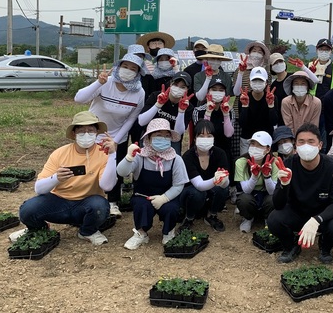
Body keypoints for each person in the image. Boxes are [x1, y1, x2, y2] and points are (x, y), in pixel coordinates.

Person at [11, 111, 117, 245]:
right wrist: (56, 178)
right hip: (59, 201)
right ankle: (39, 229)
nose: (86, 134)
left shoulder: (104, 153)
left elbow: (107, 186)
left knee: (100, 206)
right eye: (81, 131)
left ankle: (87, 231)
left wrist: (113, 154)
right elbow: (39, 188)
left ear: (97, 133)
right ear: (74, 134)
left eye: (91, 130)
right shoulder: (60, 153)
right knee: (28, 210)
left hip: (87, 203)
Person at [74, 53, 145, 217]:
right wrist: (98, 82)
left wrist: (116, 140)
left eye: (133, 69)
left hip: (116, 134)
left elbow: (131, 119)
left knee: (114, 170)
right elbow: (79, 99)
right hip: (92, 131)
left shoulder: (139, 93)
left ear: (138, 73)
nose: (128, 71)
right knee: (87, 166)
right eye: (125, 66)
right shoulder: (107, 82)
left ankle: (113, 202)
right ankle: (84, 197)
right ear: (119, 67)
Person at [267, 123, 333, 264]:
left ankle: (325, 247)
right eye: (301, 142)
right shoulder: (289, 164)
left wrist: (317, 219)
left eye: (311, 142)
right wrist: (284, 185)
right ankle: (291, 246)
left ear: (320, 145)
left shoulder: (331, 167)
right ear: (295, 147)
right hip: (296, 212)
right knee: (274, 220)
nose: (306, 146)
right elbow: (278, 204)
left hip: (321, 215)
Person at [117, 118, 189, 250]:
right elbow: (122, 172)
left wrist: (164, 198)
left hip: (167, 195)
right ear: (148, 139)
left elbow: (179, 185)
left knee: (171, 208)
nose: (163, 139)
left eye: (167, 136)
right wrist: (128, 158)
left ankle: (169, 232)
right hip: (143, 195)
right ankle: (141, 233)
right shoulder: (139, 157)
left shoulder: (176, 159)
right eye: (158, 135)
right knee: (140, 205)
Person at [180, 120, 230, 232]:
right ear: (195, 138)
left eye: (209, 136)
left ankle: (212, 215)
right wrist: (215, 179)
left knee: (223, 188)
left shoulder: (220, 153)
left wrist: (223, 180)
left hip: (211, 193)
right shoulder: (188, 157)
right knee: (197, 192)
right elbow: (199, 185)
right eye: (201, 136)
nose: (205, 139)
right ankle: (189, 217)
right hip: (191, 194)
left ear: (213, 139)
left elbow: (226, 183)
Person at [234, 131, 280, 233]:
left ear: (268, 149)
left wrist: (267, 176)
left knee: (274, 198)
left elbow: (273, 192)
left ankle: (268, 219)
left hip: (267, 195)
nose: (254, 148)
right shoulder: (241, 162)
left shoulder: (275, 162)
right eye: (253, 144)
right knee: (243, 199)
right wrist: (254, 176)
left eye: (260, 146)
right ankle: (248, 218)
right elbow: (246, 190)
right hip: (251, 195)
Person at [139, 71, 194, 154]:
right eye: (175, 85)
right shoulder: (156, 96)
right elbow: (141, 121)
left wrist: (181, 111)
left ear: (187, 90)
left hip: (171, 140)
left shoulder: (188, 107)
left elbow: (178, 132)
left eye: (183, 87)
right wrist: (158, 104)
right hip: (151, 136)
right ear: (170, 84)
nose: (178, 89)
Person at [191, 76, 234, 166]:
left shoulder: (230, 111)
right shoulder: (198, 111)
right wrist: (208, 112)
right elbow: (202, 133)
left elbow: (229, 134)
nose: (217, 92)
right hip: (204, 151)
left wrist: (225, 114)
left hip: (224, 152)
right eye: (214, 89)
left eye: (221, 90)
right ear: (208, 92)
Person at [270, 53, 319, 125]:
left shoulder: (294, 77)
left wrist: (303, 67)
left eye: (280, 61)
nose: (278, 64)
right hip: (284, 122)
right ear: (271, 67)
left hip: (301, 117)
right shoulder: (273, 87)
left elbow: (315, 80)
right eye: (275, 63)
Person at [237, 67, 278, 154]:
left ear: (266, 82)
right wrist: (245, 106)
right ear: (249, 81)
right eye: (254, 80)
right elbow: (242, 123)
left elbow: (274, 121)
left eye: (260, 81)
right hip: (247, 138)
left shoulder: (272, 97)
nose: (257, 83)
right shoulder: (244, 97)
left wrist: (271, 106)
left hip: (266, 138)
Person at [281, 71, 321, 135]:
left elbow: (314, 126)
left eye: (303, 84)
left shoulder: (316, 103)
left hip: (310, 137)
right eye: (296, 83)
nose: (299, 86)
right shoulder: (286, 102)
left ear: (308, 86)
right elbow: (289, 125)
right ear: (292, 86)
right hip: (292, 138)